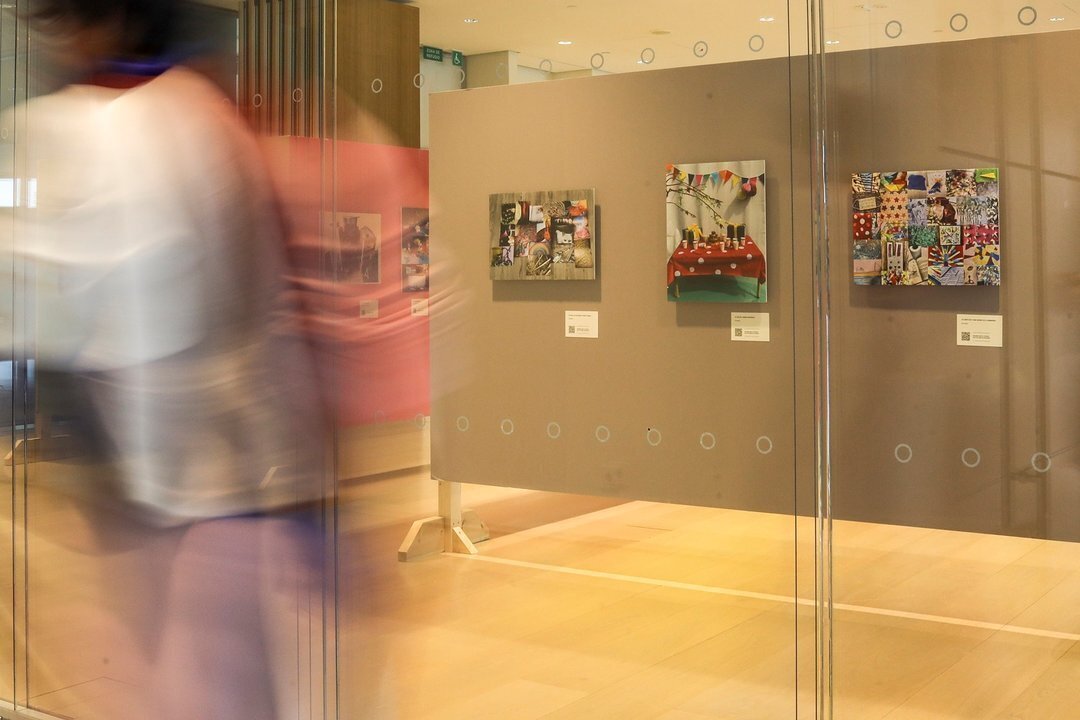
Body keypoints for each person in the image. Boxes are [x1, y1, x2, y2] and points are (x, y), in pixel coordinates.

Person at [7, 1, 330, 717]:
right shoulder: (192, 119)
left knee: (202, 661)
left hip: (187, 468)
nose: (60, 46)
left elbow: (94, 297)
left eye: (65, 27)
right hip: (196, 467)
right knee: (208, 660)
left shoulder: (124, 127)